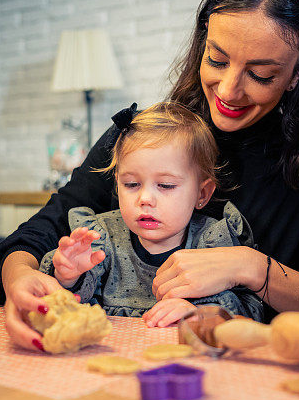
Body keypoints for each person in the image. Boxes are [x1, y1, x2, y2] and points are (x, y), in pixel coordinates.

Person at [0, 0, 299, 351]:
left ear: (297, 75)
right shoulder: (141, 139)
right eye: (216, 60)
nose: (228, 90)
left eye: (260, 74)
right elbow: (34, 237)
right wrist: (21, 279)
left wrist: (252, 267)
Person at [37, 102, 263, 336]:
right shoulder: (101, 238)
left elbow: (251, 313)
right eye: (131, 184)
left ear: (202, 194)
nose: (145, 199)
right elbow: (70, 308)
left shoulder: (214, 244)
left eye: (165, 185)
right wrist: (68, 277)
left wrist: (201, 314)